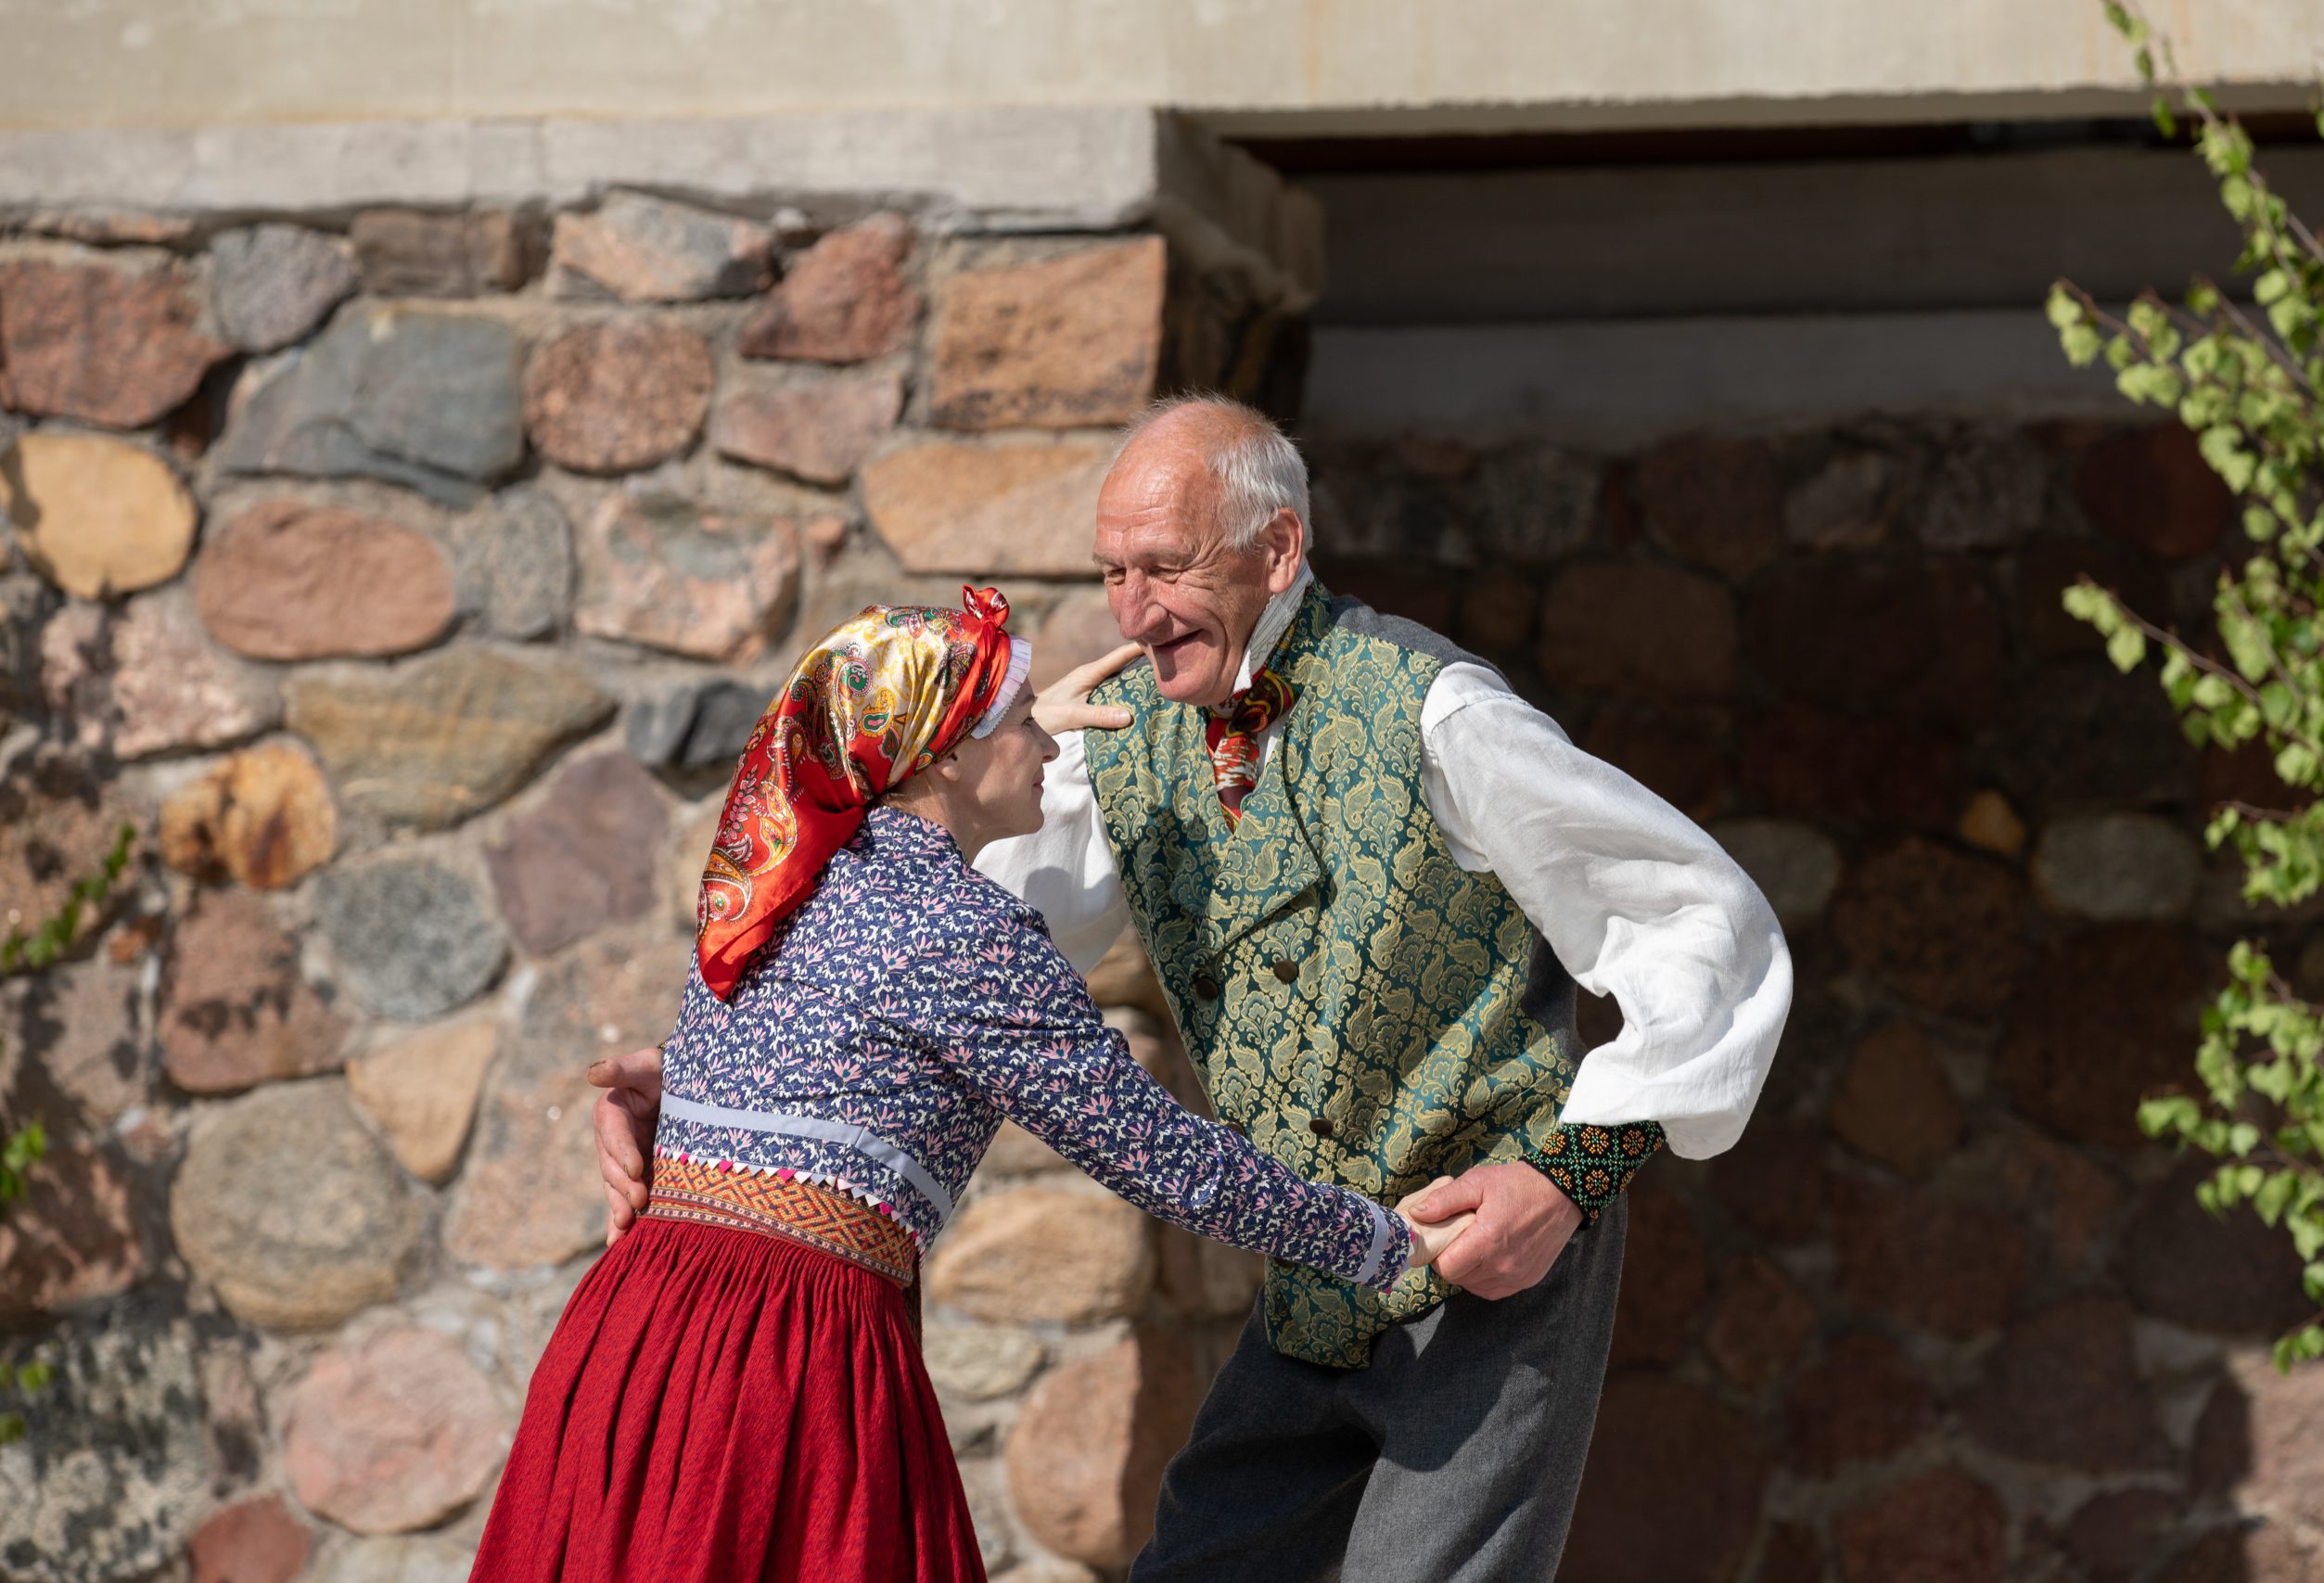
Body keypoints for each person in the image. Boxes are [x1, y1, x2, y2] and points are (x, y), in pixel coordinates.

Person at [592, 399, 1794, 1583]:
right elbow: (935, 969)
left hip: (1489, 1251)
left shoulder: (1440, 711)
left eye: (1167, 566)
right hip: (1312, 1273)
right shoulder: (1115, 743)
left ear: (1278, 548)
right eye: (1112, 571)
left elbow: (1699, 922)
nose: (1134, 608)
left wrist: (1566, 1180)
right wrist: (720, 1077)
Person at [474, 587, 1466, 1583]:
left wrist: (1019, 729)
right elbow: (1166, 1159)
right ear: (945, 753)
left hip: (637, 1329)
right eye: (1024, 723)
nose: (1048, 746)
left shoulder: (776, 881)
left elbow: (806, 1063)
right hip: (780, 1355)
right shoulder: (966, 935)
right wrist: (1385, 1242)